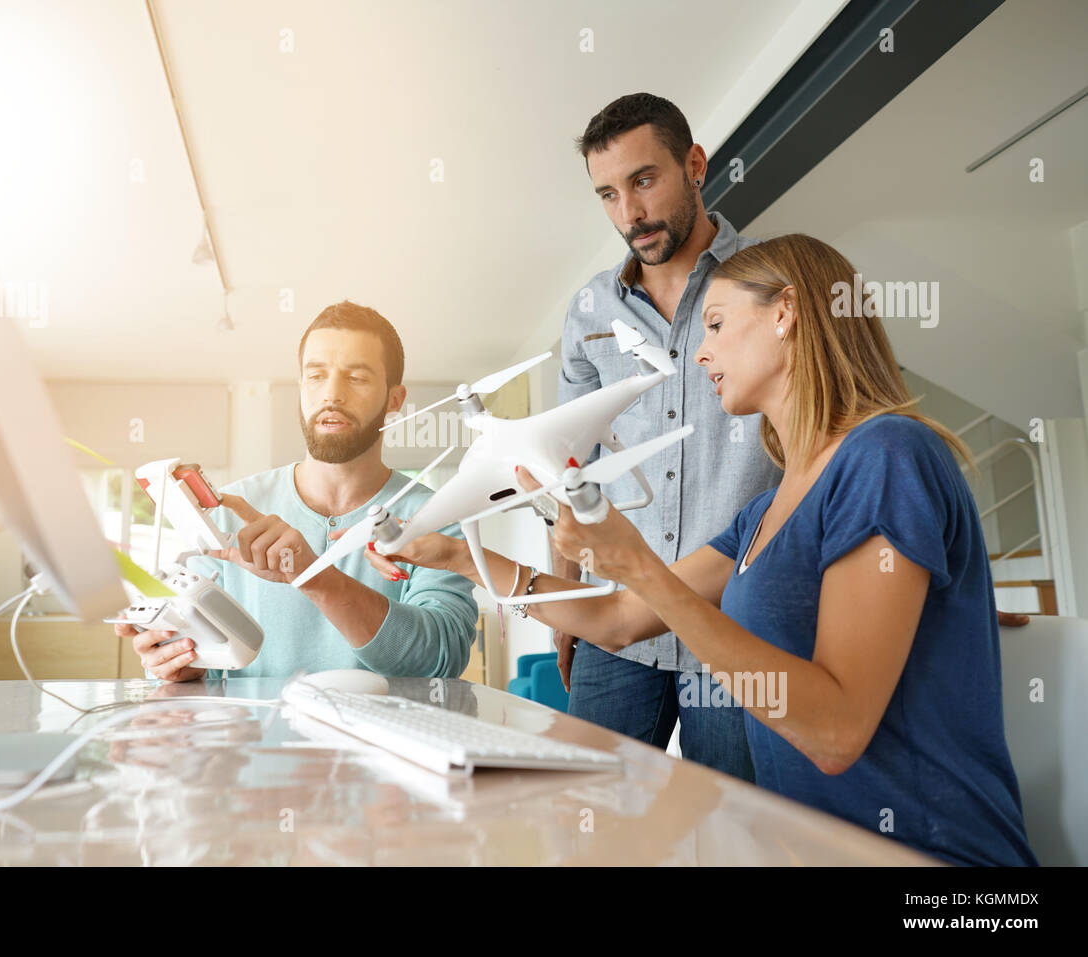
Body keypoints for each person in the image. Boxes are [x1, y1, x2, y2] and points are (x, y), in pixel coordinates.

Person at [365, 235, 1036, 866]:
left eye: (715, 325)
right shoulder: (765, 513)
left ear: (788, 313)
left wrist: (643, 569)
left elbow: (836, 732)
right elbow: (622, 617)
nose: (699, 353)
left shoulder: (886, 455)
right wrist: (456, 557)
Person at [555, 92, 780, 780]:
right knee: (584, 815)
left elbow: (835, 439)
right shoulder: (588, 311)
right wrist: (563, 605)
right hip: (617, 625)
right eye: (609, 194)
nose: (630, 213)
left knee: (744, 830)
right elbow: (570, 468)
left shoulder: (773, 281)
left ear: (695, 164)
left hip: (736, 624)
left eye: (645, 180)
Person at [114, 301, 478, 681]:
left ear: (394, 399)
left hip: (381, 739)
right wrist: (178, 661)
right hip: (256, 738)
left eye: (356, 378)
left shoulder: (436, 517)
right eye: (316, 376)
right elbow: (196, 653)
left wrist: (314, 576)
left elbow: (441, 661)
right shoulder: (229, 511)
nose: (332, 394)